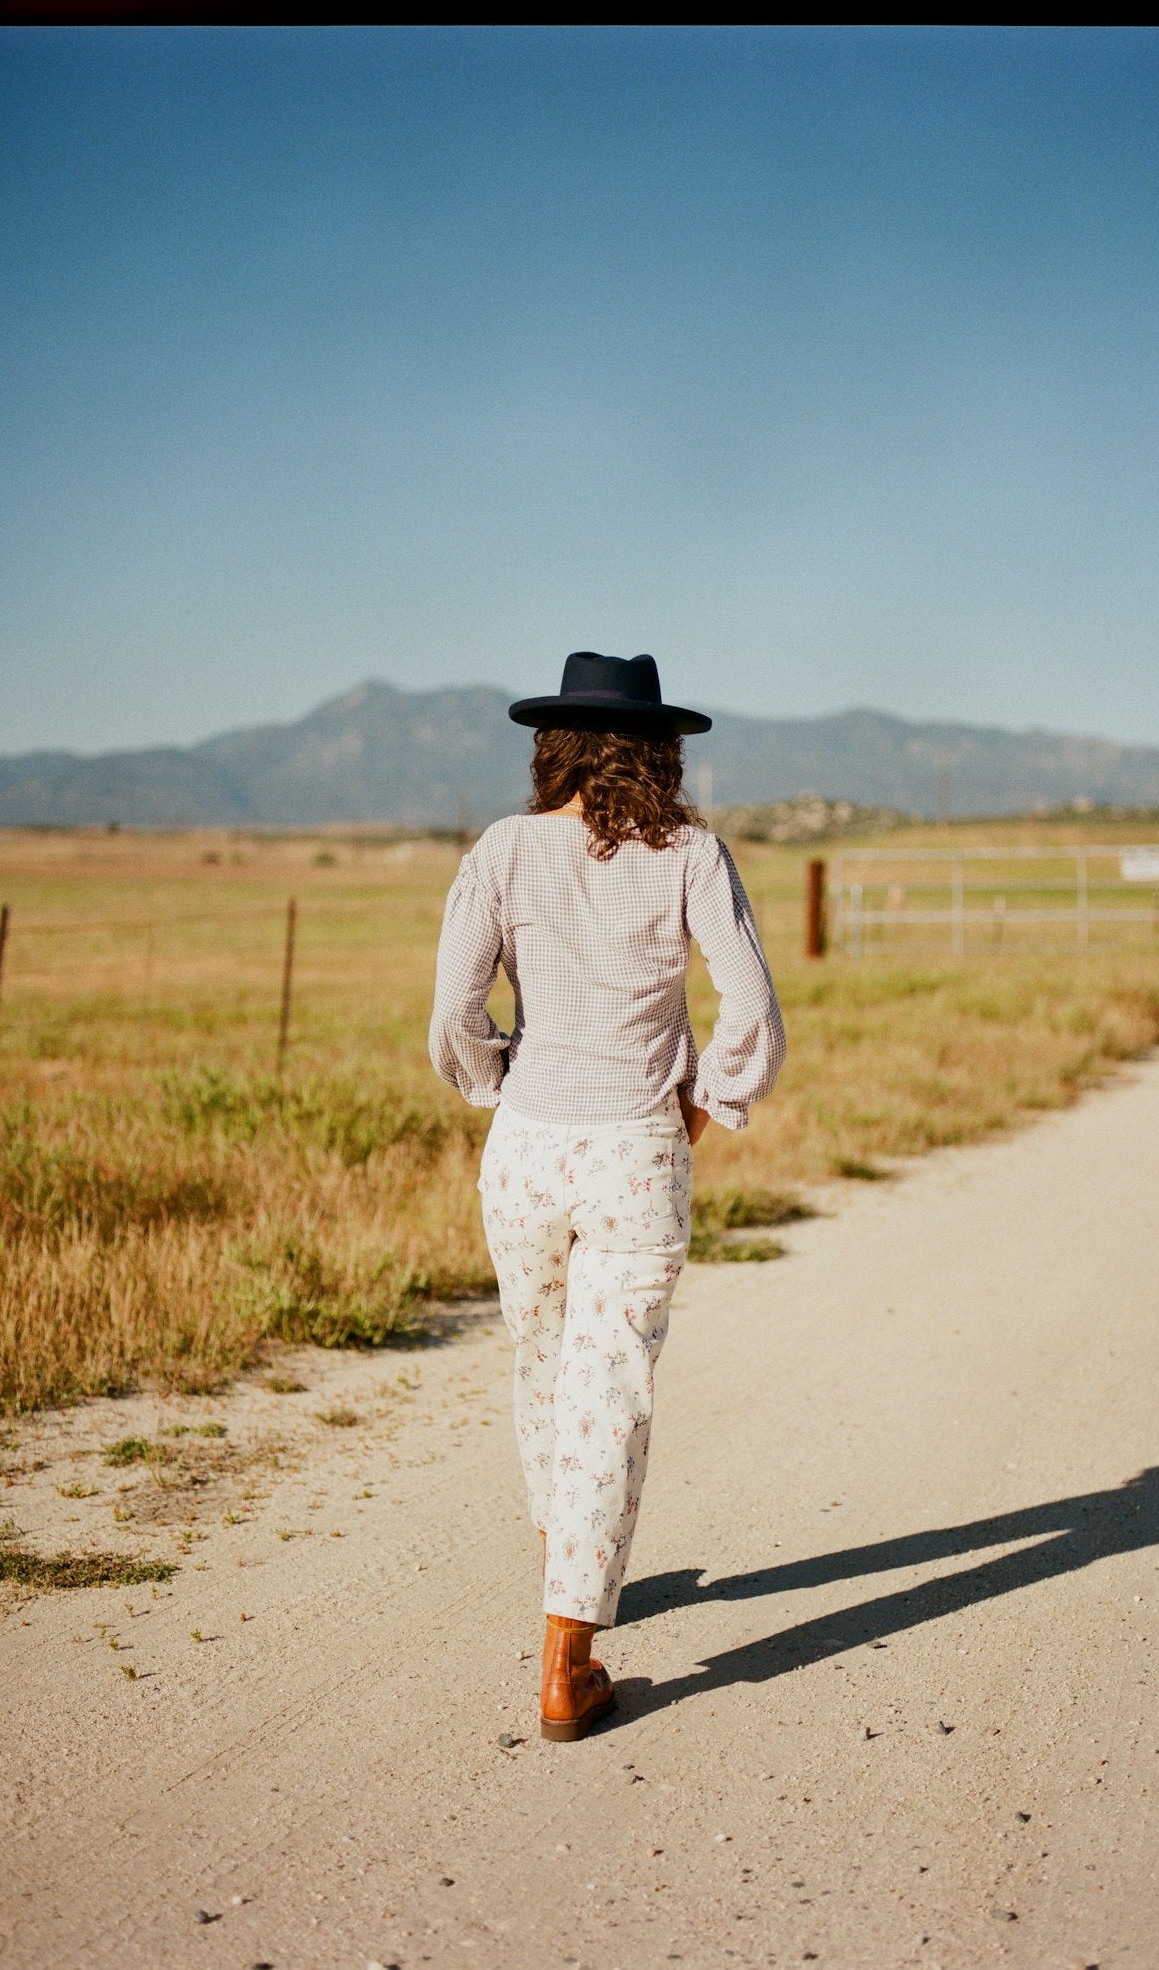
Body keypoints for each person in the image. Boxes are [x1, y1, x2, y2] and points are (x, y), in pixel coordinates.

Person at [429, 652, 786, 1741]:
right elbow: (751, 1006)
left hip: (529, 1149)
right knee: (611, 1384)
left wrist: (498, 1081)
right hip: (637, 1152)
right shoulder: (691, 855)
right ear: (660, 751)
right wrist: (706, 1106)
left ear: (555, 745)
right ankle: (567, 1655)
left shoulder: (503, 849)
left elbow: (454, 1011)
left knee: (544, 1363)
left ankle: (568, 1562)